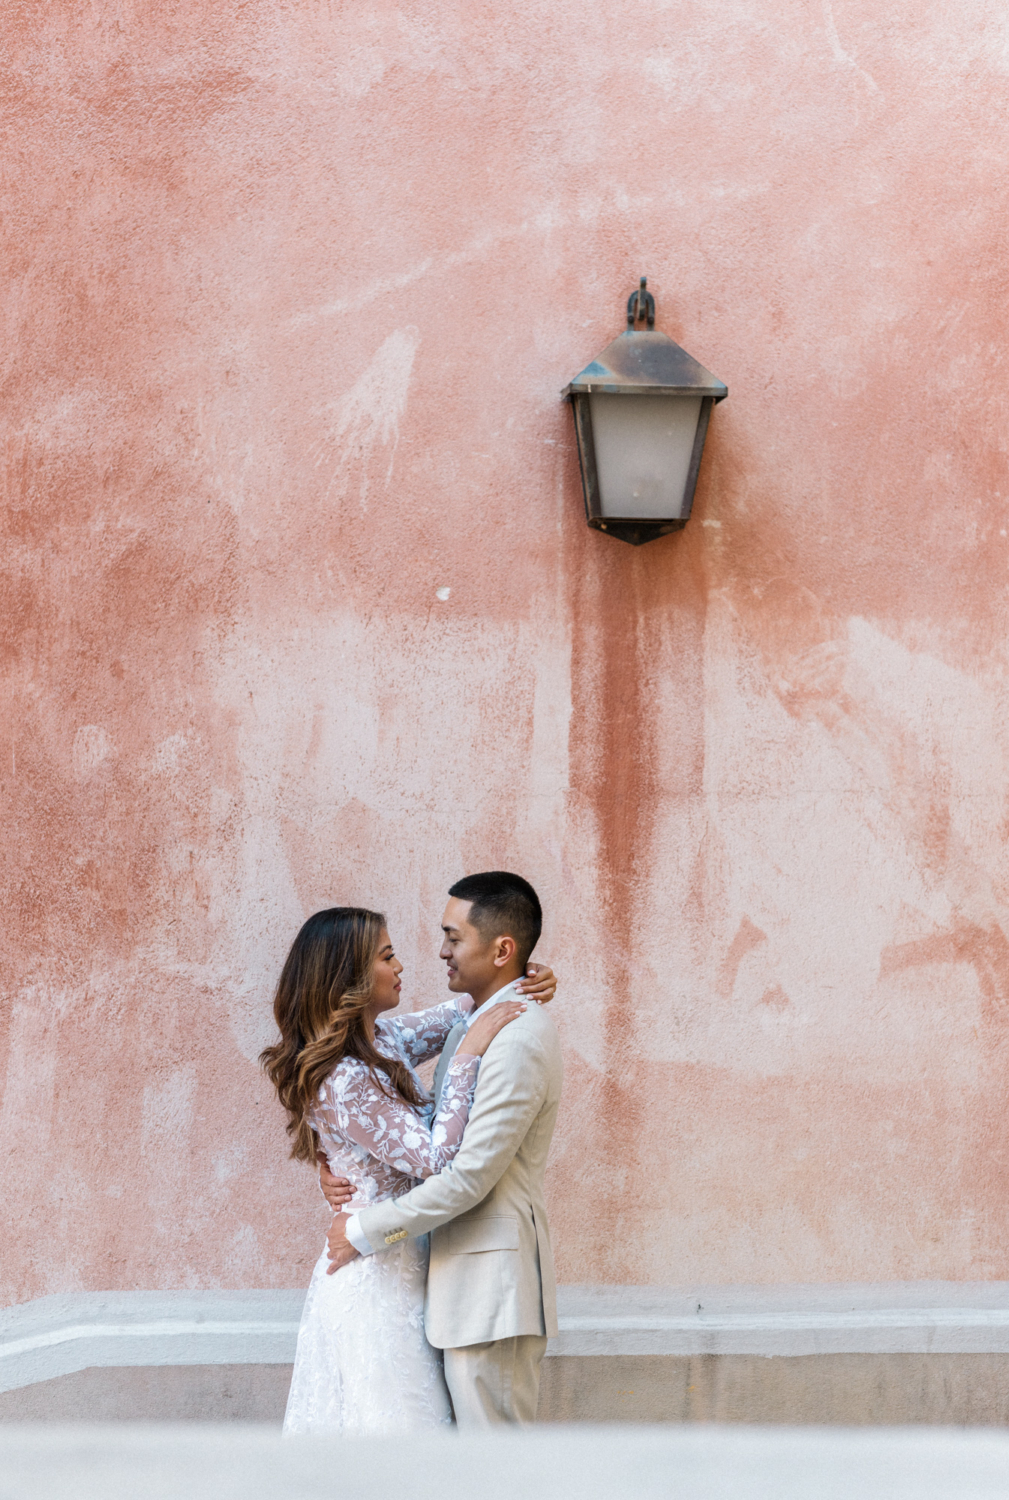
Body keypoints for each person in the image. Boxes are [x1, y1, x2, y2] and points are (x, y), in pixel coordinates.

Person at [260, 905, 557, 1436]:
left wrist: (525, 976)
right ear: (349, 976)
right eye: (387, 956)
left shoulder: (384, 1040)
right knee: (399, 1436)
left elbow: (471, 1005)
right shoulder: (345, 1077)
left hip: (413, 1267)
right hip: (375, 1280)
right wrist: (467, 1055)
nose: (402, 967)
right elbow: (438, 1159)